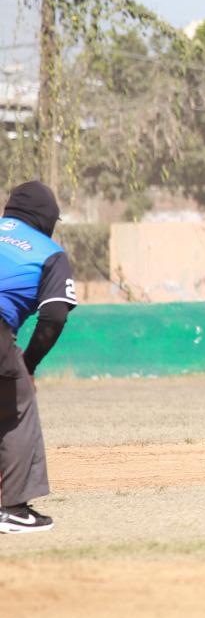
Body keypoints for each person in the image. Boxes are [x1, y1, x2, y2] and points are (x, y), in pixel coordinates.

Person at [0, 181, 77, 533]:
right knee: (17, 409)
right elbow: (55, 316)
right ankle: (13, 509)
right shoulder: (49, 252)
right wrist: (27, 366)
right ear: (47, 218)